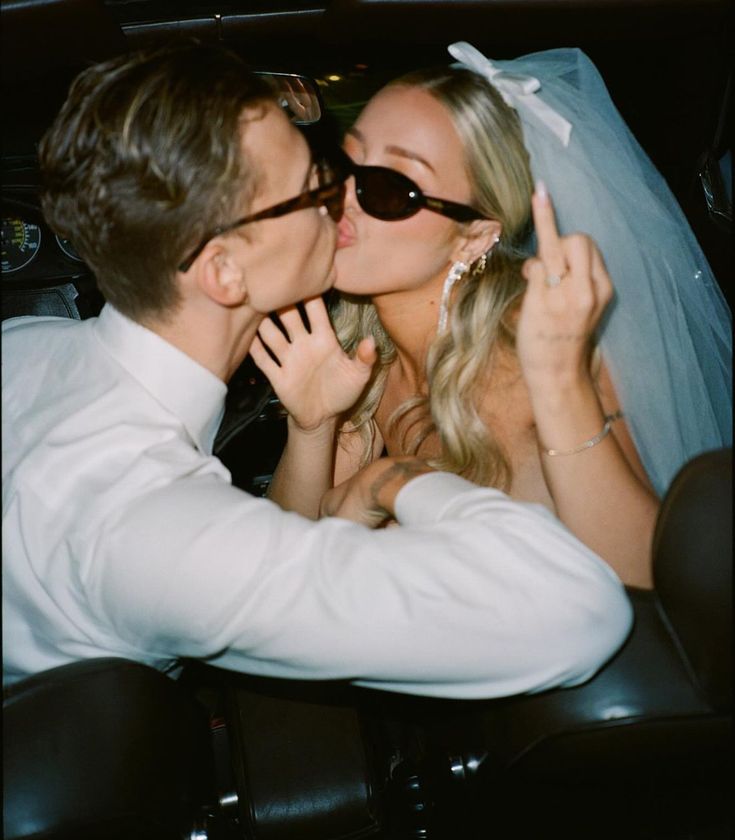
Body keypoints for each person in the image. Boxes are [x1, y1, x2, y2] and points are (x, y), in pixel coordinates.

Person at [1, 42, 633, 696]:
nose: (343, 204)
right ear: (223, 270)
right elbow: (579, 611)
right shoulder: (153, 532)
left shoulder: (21, 345)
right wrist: (396, 480)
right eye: (315, 187)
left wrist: (316, 428)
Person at [253, 43, 732, 591]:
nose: (344, 199)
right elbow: (282, 569)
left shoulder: (533, 348)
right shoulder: (367, 353)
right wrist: (312, 429)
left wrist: (560, 385)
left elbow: (649, 584)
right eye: (342, 164)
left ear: (474, 236)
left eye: (390, 188)